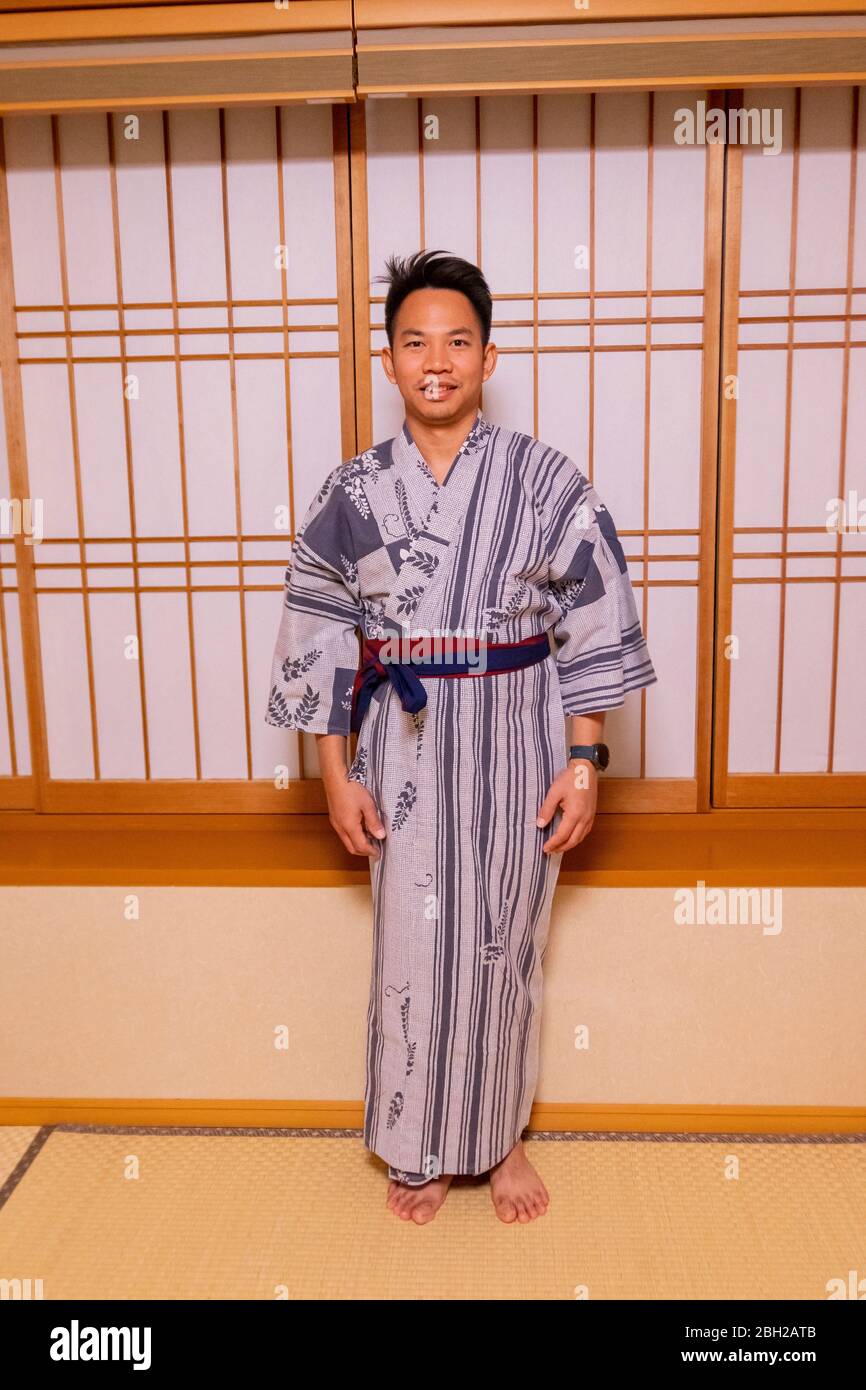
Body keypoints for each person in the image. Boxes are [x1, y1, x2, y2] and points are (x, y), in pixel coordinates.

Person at [265, 250, 657, 1225]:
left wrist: (583, 760)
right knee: (408, 951)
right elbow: (316, 638)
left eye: (456, 341)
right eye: (413, 342)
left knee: (501, 947)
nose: (434, 360)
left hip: (518, 746)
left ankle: (498, 1136)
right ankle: (420, 1144)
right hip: (395, 754)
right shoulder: (350, 493)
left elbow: (594, 623)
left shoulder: (543, 480)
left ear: (486, 357)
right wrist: (330, 775)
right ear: (388, 361)